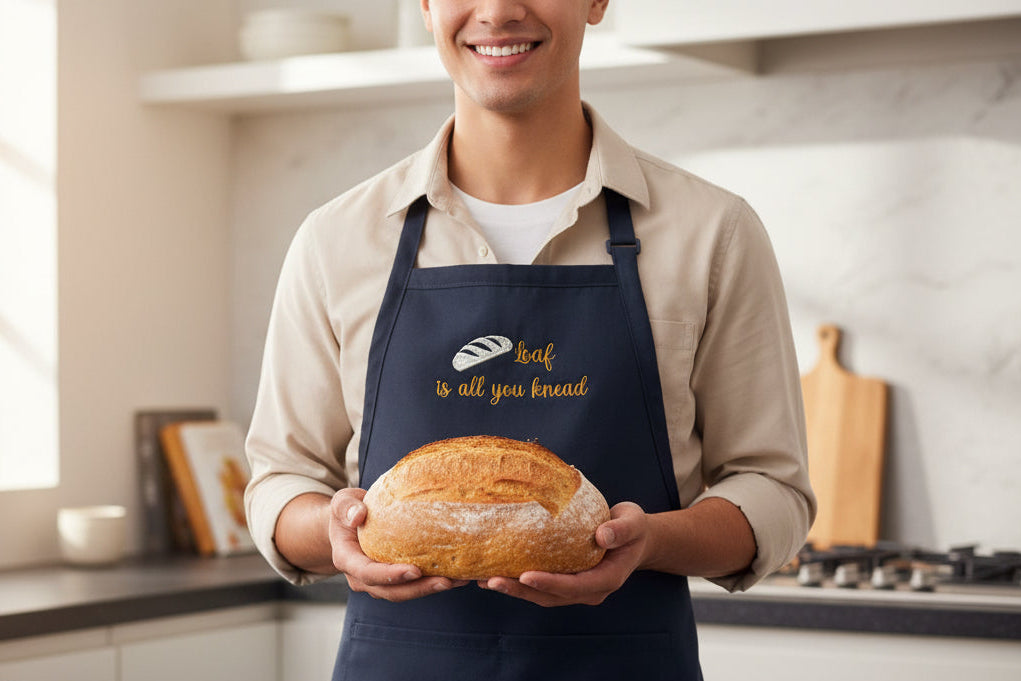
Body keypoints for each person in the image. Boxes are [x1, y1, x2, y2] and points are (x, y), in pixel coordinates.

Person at [244, 1, 816, 679]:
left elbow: (772, 489)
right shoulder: (338, 239)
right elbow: (281, 482)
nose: (497, 10)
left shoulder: (709, 232)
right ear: (425, 5)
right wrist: (338, 530)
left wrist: (649, 540)